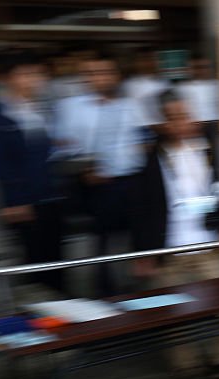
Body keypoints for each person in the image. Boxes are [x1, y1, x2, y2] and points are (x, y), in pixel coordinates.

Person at [132, 91, 219, 379]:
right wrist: (144, 254)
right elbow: (141, 208)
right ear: (162, 122)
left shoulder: (209, 150)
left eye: (186, 115)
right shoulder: (150, 159)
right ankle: (187, 367)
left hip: (208, 245)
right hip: (171, 248)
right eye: (173, 117)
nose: (182, 122)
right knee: (176, 314)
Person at [54, 52, 148, 296]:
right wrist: (84, 168)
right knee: (102, 242)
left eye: (105, 72)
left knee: (137, 237)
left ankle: (137, 291)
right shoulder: (71, 108)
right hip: (94, 184)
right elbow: (61, 147)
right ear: (83, 77)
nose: (99, 78)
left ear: (115, 75)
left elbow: (143, 139)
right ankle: (105, 293)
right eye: (92, 73)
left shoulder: (131, 105)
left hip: (131, 180)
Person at [0, 49, 67, 293]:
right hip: (25, 201)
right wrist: (14, 201)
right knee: (36, 264)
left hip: (50, 194)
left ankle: (62, 310)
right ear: (5, 79)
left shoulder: (38, 108)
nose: (34, 80)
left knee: (56, 260)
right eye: (26, 74)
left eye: (38, 74)